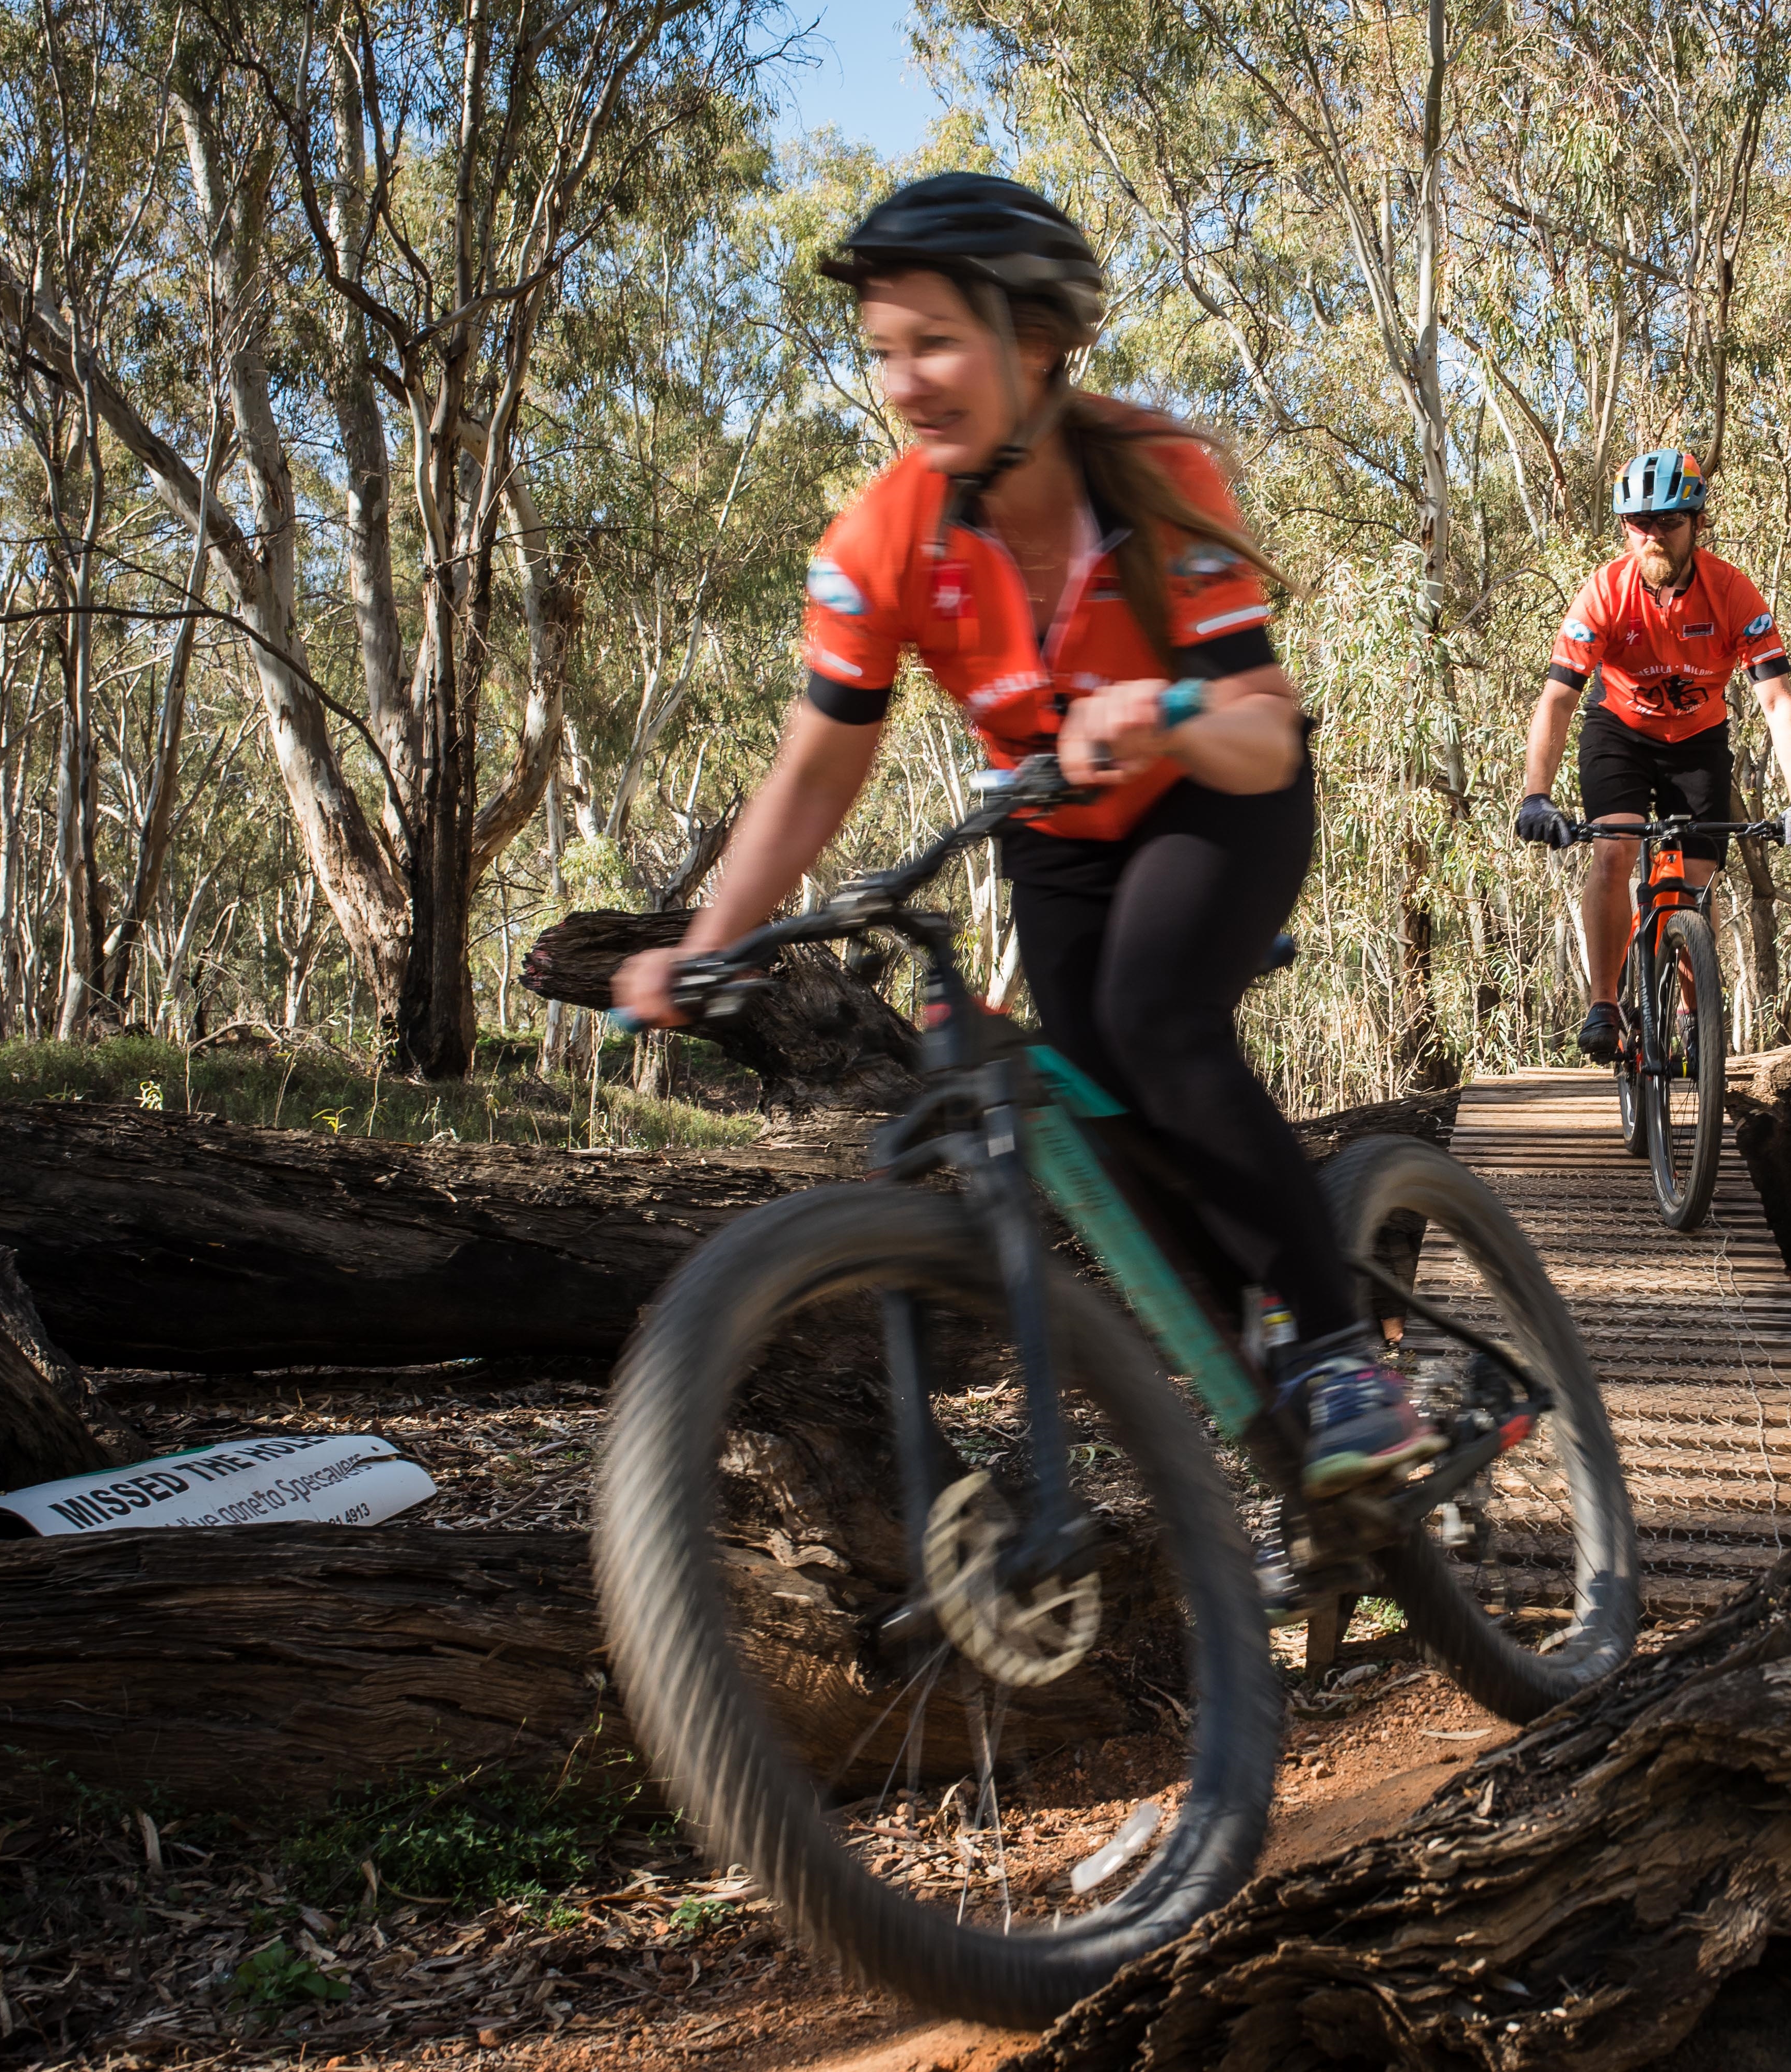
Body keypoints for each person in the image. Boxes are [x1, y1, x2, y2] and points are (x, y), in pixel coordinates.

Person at [610, 172, 1434, 1499]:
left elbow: (1264, 729)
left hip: (1215, 794)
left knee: (1157, 1021)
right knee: (1092, 1089)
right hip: (1055, 834)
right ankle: (1257, 1359)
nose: (902, 381)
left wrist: (1160, 707)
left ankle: (1336, 1343)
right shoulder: (882, 539)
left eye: (933, 342)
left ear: (1037, 342)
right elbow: (815, 769)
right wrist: (706, 944)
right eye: (882, 350)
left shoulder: (1156, 475)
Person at [1511, 449, 1791, 1061]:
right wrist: (1535, 794)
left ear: (1697, 523)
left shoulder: (1732, 592)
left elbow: (1778, 701)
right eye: (1639, 524)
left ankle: (1690, 1009)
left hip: (1698, 740)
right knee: (1615, 848)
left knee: (1692, 882)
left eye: (1668, 522)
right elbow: (1557, 700)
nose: (1652, 536)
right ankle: (1604, 1002)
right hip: (1619, 731)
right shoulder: (1604, 592)